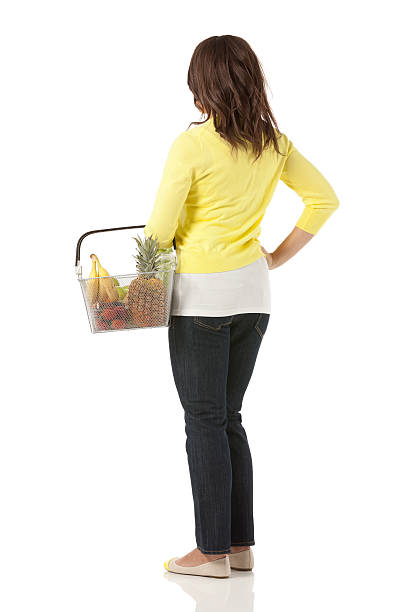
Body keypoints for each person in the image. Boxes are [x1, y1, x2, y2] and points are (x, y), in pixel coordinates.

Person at [143, 35, 339, 578]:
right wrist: (273, 256)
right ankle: (239, 546)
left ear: (202, 86)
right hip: (254, 297)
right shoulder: (273, 143)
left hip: (199, 300)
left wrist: (151, 255)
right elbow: (324, 198)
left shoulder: (192, 145)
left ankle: (209, 554)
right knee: (228, 418)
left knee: (204, 421)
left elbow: (159, 232)